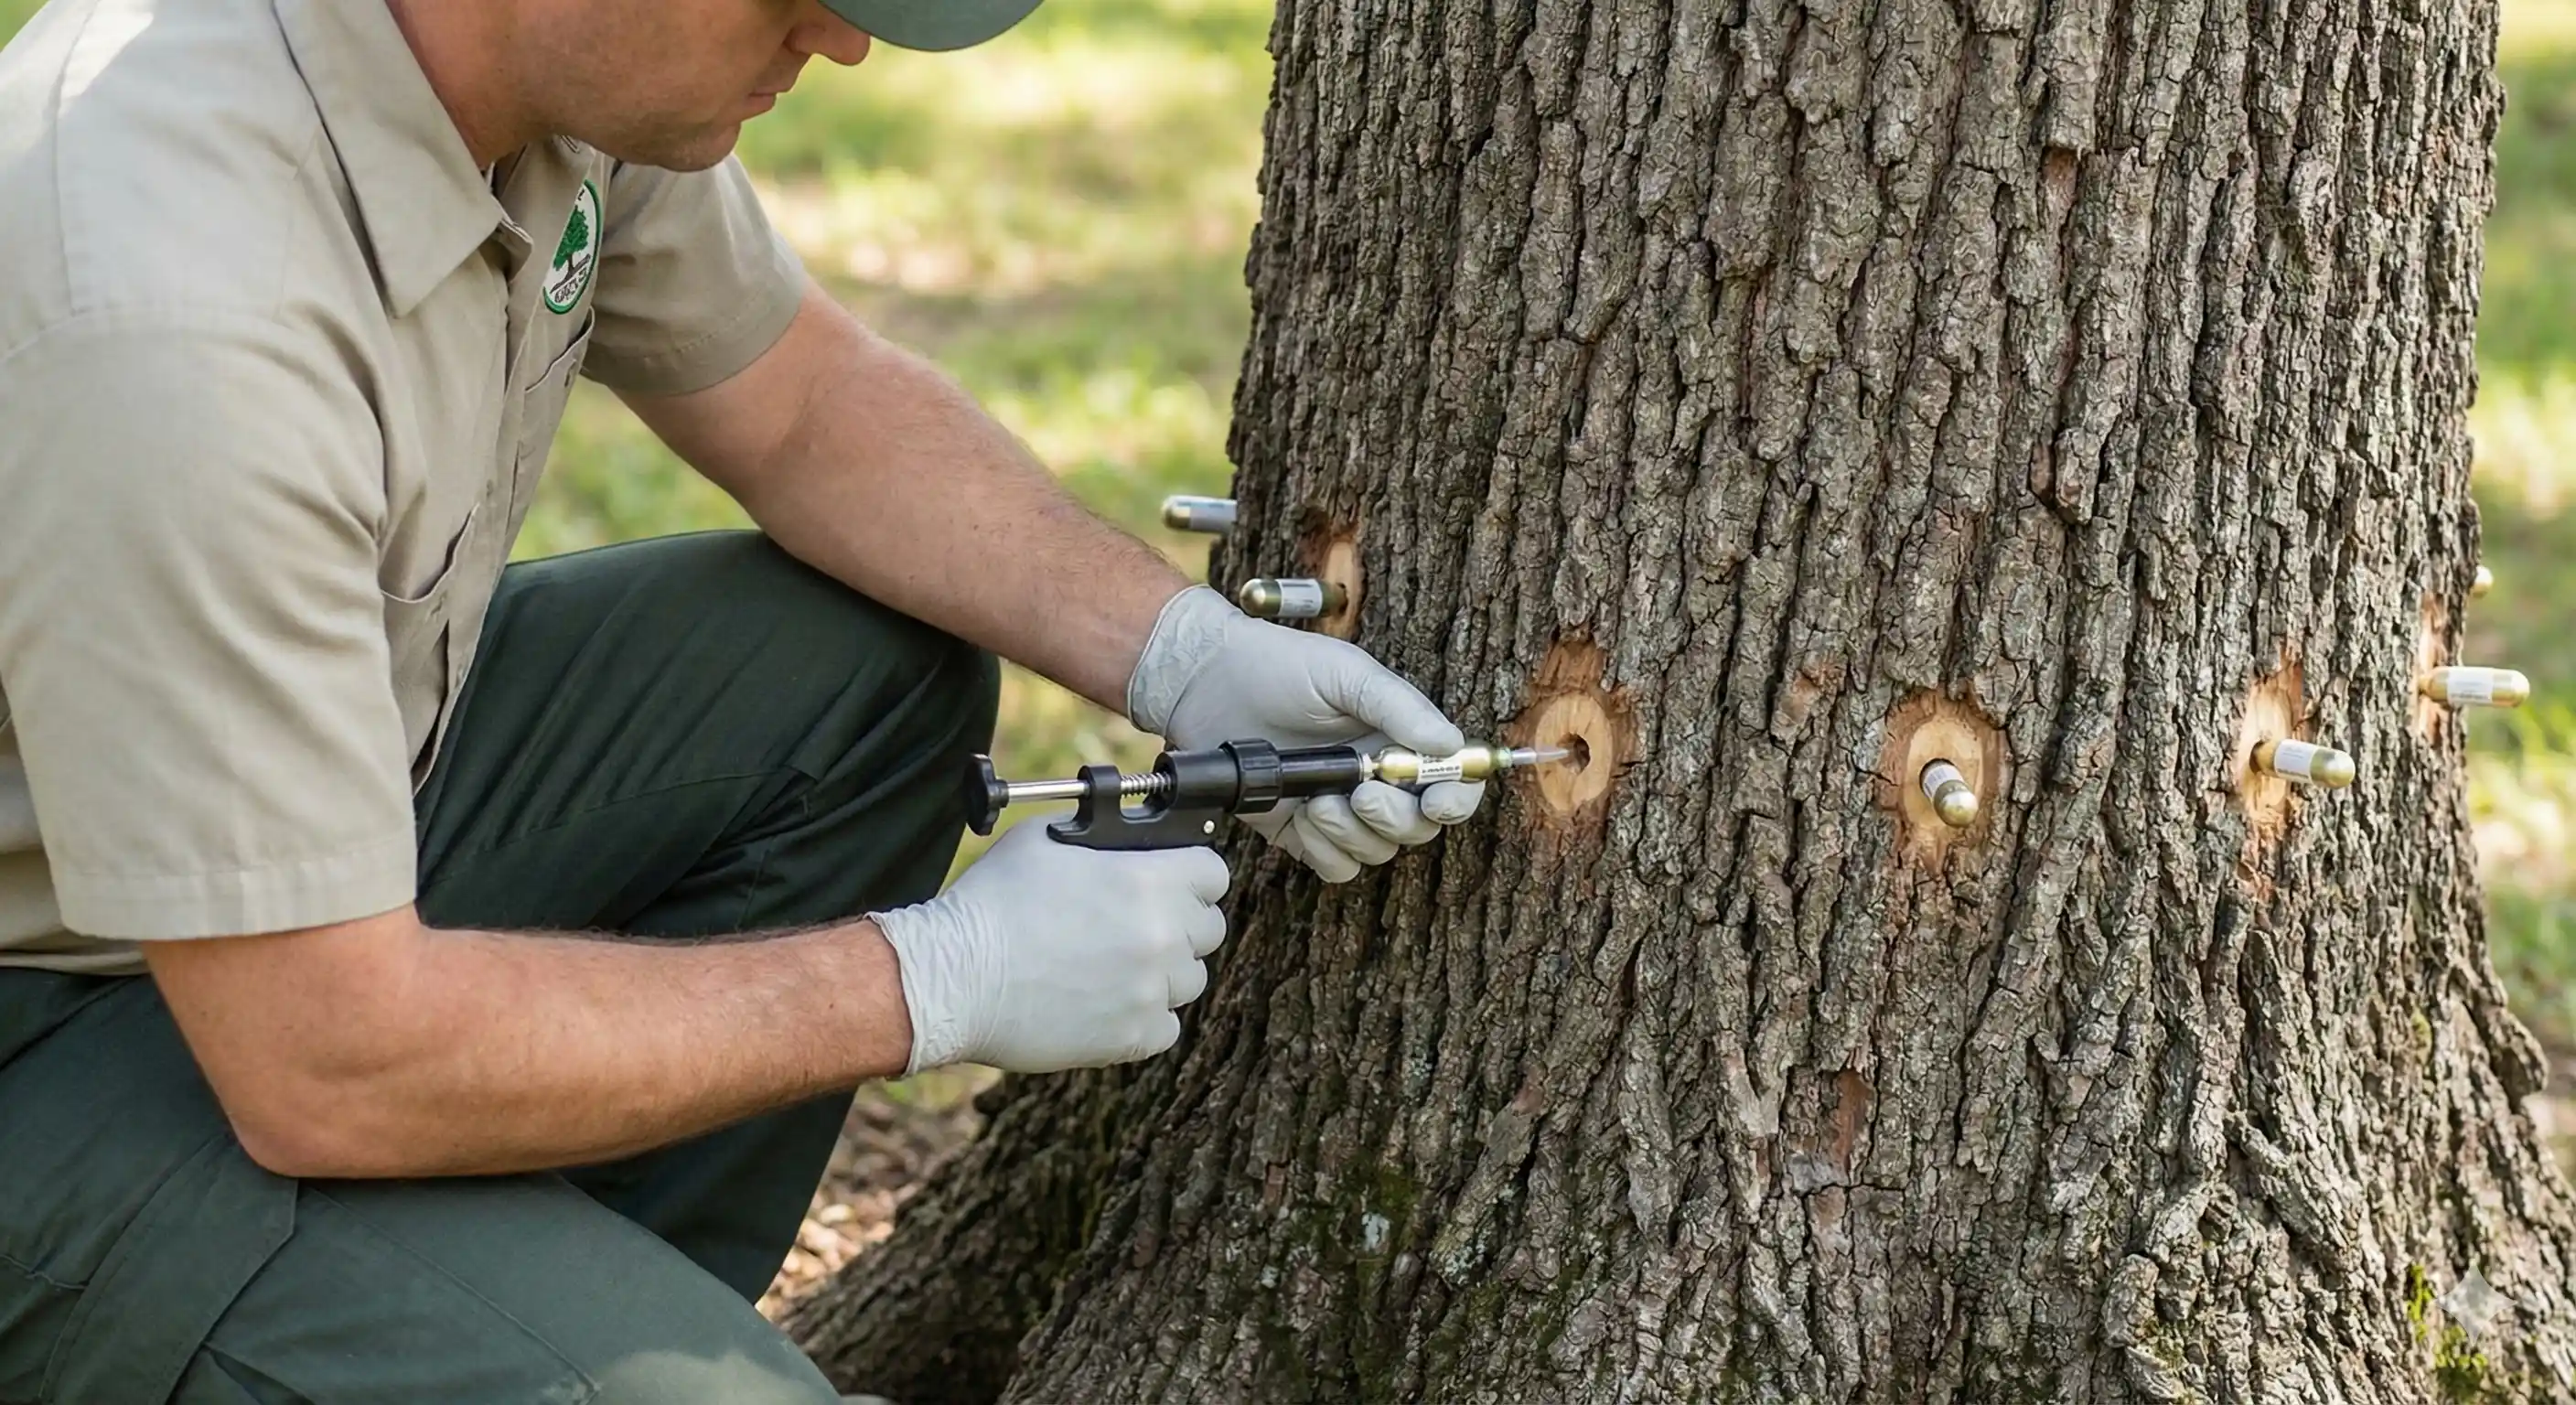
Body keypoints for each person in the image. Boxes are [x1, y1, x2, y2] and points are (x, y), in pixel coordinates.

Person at [0, 0, 1485, 1397]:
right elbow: (322, 1059)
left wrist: (1183, 652)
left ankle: (511, 1299)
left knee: (852, 679)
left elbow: (801, 402)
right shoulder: (177, 309)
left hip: (237, 904)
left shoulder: (528, 76)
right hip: (61, 1037)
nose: (839, 40)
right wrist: (929, 982)